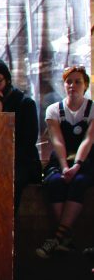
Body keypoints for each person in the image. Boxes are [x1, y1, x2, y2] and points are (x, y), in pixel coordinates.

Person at [37, 65, 94, 258]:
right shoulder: (54, 110)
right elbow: (57, 140)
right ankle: (65, 239)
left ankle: (57, 237)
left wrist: (77, 165)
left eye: (77, 81)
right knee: (54, 183)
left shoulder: (92, 109)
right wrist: (65, 167)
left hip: (86, 160)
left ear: (85, 85)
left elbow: (89, 139)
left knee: (79, 183)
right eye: (69, 81)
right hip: (61, 160)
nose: (72, 85)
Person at [0, 58, 41, 211]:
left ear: (7, 79)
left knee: (10, 181)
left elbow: (28, 142)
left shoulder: (25, 104)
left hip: (20, 160)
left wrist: (6, 161)